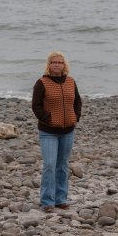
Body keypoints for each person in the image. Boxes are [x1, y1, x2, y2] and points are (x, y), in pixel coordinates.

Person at [32, 51, 82, 213]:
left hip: (68, 130)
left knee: (62, 165)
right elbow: (36, 105)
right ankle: (47, 201)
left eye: (60, 62)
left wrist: (76, 117)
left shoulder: (71, 81)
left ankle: (61, 199)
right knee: (49, 165)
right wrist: (48, 119)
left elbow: (77, 102)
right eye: (54, 62)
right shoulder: (42, 83)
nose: (57, 64)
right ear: (49, 65)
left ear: (64, 65)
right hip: (48, 132)